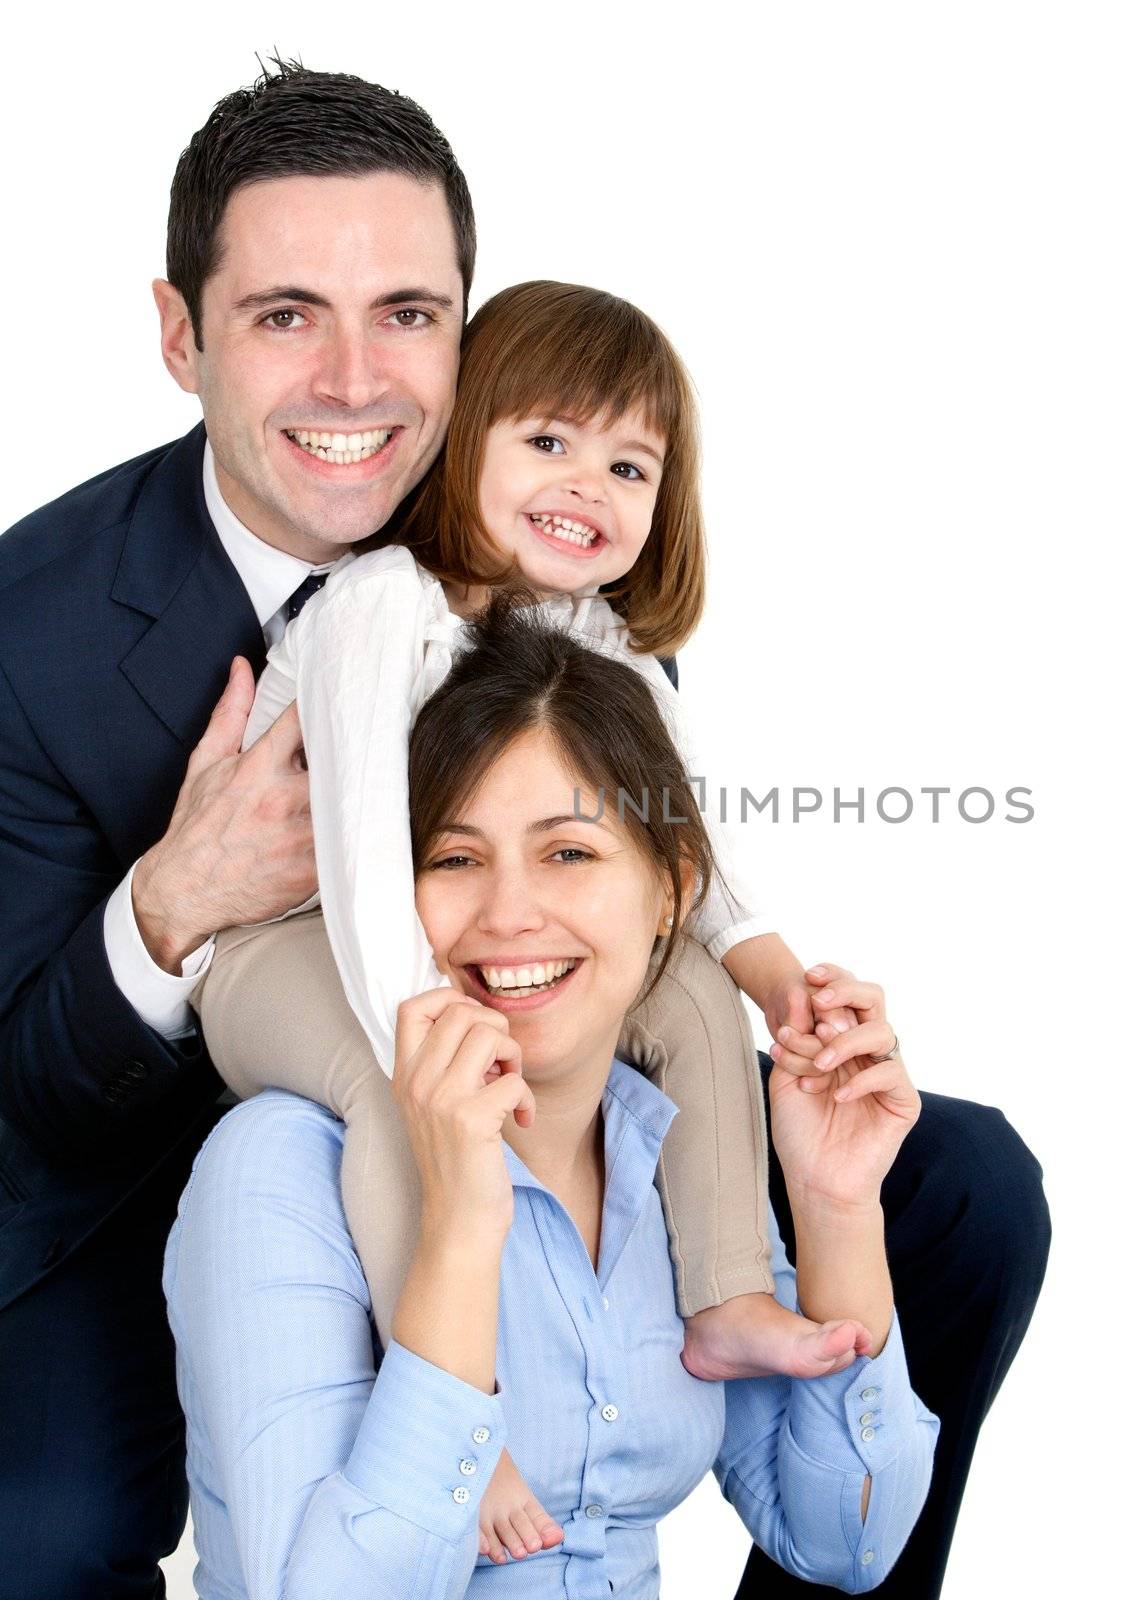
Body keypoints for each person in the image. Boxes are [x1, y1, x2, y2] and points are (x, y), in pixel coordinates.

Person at [0, 59, 1049, 1599]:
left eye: (409, 317)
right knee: (39, 1524)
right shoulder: (32, 632)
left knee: (958, 1186)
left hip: (495, 1043)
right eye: (288, 314)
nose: (356, 381)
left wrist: (760, 984)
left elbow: (634, 873)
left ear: (466, 334)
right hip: (145, 1148)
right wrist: (164, 912)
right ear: (182, 336)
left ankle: (728, 1339)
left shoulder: (555, 569)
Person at [191, 276, 892, 1562]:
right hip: (291, 943)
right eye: (549, 442)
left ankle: (730, 1287)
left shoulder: (600, 643)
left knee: (679, 996)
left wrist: (776, 977)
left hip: (433, 931)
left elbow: (683, 849)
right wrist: (436, 1022)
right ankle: (470, 1405)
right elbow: (355, 857)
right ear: (467, 441)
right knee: (393, 1083)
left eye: (630, 465)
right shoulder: (380, 605)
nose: (588, 485)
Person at [164, 597, 939, 1596]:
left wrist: (838, 1208)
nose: (509, 913)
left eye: (569, 852)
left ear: (673, 889)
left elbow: (849, 1543)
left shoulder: (667, 1154)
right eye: (452, 859)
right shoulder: (278, 1170)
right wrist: (456, 1239)